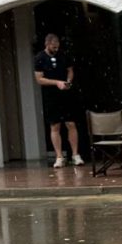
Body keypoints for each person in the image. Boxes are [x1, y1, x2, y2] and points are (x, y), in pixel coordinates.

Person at [34, 33, 84, 168]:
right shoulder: (40, 58)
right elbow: (39, 79)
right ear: (47, 44)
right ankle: (59, 156)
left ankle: (75, 154)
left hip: (66, 95)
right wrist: (56, 82)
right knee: (55, 126)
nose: (56, 49)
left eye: (57, 47)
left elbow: (70, 70)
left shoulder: (63, 56)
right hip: (51, 96)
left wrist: (68, 81)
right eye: (53, 47)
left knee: (71, 123)